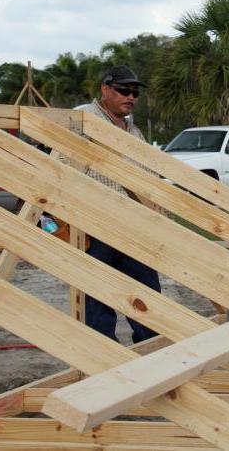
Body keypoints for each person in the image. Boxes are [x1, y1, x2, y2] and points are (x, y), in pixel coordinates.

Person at [74, 65, 160, 344]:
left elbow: (150, 172)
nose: (131, 96)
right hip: (94, 225)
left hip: (134, 227)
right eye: (124, 90)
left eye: (134, 92)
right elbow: (61, 167)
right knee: (98, 297)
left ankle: (154, 353)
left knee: (146, 295)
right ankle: (103, 359)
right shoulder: (83, 119)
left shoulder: (133, 129)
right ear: (105, 89)